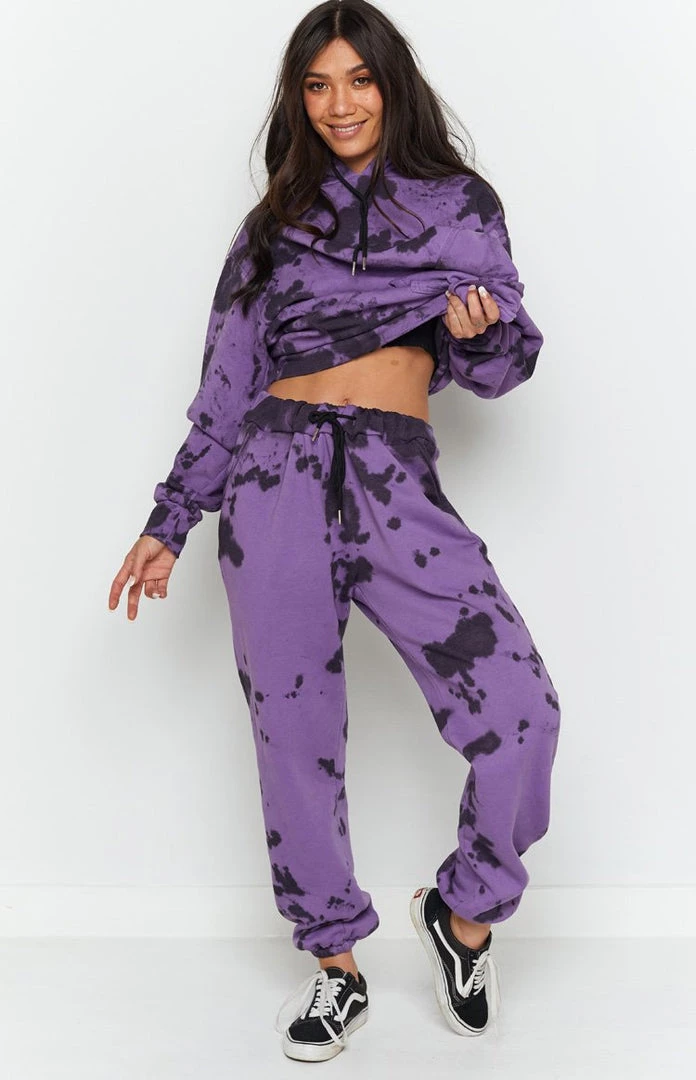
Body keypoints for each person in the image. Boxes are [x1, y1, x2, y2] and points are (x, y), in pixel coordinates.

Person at [108, 0, 561, 1063]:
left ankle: (464, 917)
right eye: (317, 85)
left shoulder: (459, 206)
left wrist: (476, 333)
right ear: (298, 99)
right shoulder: (274, 225)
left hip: (397, 479)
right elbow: (225, 386)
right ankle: (334, 966)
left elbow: (505, 367)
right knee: (293, 732)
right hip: (273, 480)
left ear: (392, 85)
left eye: (358, 80)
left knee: (522, 711)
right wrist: (171, 520)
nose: (339, 104)